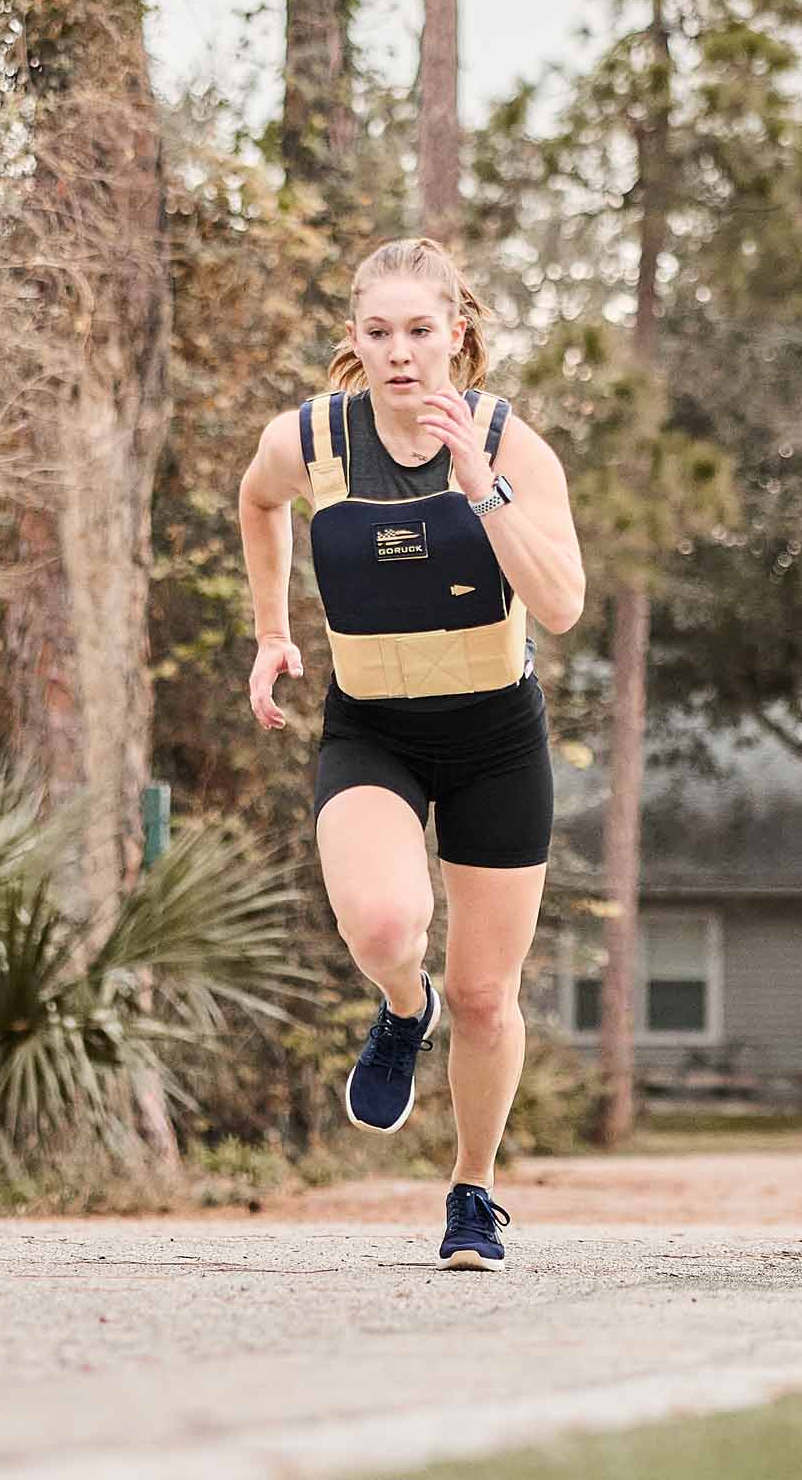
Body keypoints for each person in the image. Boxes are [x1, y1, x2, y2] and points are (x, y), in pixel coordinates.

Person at [238, 236, 584, 1271]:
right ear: (355, 340)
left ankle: (472, 1192)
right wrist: (269, 631)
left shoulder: (509, 444)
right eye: (379, 333)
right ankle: (400, 1007)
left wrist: (483, 487)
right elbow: (258, 503)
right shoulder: (310, 440)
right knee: (388, 923)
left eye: (421, 331)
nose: (401, 352)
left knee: (486, 995)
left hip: (495, 739)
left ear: (456, 336)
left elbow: (562, 607)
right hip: (374, 728)